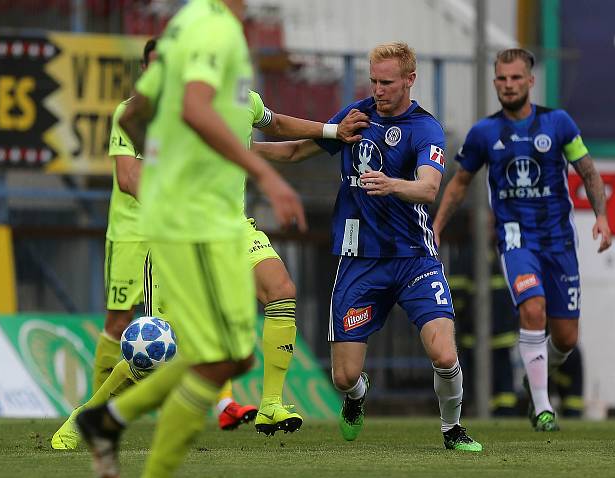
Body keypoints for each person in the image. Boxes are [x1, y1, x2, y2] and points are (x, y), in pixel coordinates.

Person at [75, 0, 307, 475]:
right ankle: (124, 436)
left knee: (233, 357)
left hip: (206, 220)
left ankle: (107, 419)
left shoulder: (184, 27)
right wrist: (265, 175)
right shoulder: (214, 31)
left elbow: (134, 116)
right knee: (217, 357)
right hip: (196, 220)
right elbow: (195, 110)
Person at [254, 41, 482, 451]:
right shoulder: (354, 119)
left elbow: (429, 188)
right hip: (360, 262)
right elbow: (292, 151)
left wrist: (391, 184)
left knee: (444, 354)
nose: (378, 89)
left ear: (410, 80)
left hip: (415, 260)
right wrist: (237, 149)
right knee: (343, 376)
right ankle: (357, 396)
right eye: (374, 80)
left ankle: (453, 429)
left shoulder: (425, 129)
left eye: (387, 82)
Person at [432, 48, 612, 432]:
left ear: (530, 81)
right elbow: (460, 183)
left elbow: (589, 171)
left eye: (516, 78)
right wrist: (437, 225)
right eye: (502, 78)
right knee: (532, 308)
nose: (509, 85)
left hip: (559, 241)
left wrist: (601, 217)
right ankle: (544, 408)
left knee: (565, 338)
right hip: (516, 238)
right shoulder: (484, 133)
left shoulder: (559, 124)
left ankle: (536, 386)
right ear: (495, 81)